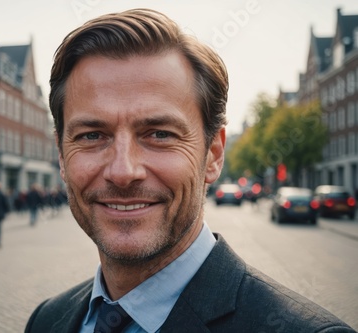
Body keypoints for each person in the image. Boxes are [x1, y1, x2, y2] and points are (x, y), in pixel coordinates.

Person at [25, 9, 355, 333]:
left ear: (213, 154)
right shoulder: (46, 320)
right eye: (92, 136)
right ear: (61, 154)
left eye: (159, 134)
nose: (123, 171)